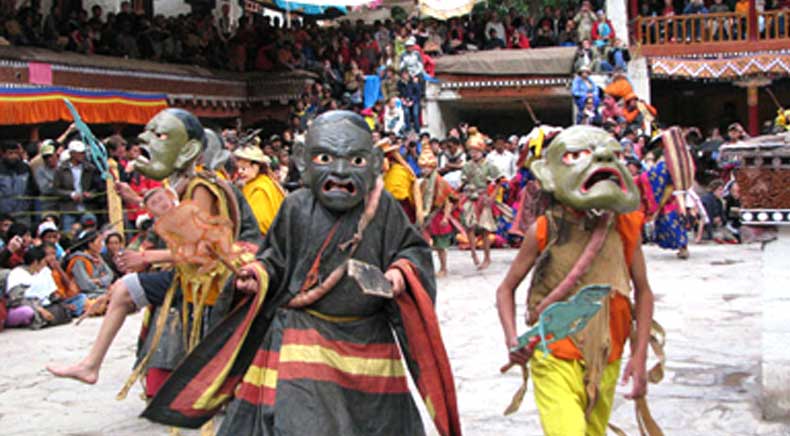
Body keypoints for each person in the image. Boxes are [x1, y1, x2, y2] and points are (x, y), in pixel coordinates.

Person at [140, 110, 461, 436]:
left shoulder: (384, 209)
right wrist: (258, 274)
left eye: (356, 161)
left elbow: (413, 252)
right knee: (308, 423)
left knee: (376, 425)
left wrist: (400, 272)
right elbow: (274, 260)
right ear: (303, 162)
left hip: (369, 342)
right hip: (305, 336)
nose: (339, 172)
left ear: (376, 162)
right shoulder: (296, 207)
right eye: (325, 158)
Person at [46, 109, 263, 388]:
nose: (147, 142)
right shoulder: (184, 184)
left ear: (189, 150)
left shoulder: (200, 187)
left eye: (160, 136)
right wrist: (137, 200)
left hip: (210, 280)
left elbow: (203, 252)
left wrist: (147, 257)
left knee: (126, 289)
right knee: (126, 289)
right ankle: (91, 365)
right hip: (191, 274)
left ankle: (91, 365)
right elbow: (179, 226)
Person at [496, 126, 657, 436]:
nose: (601, 159)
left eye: (614, 154)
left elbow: (644, 292)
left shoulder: (626, 226)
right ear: (549, 173)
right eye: (575, 156)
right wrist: (512, 339)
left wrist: (639, 358)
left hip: (607, 355)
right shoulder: (544, 229)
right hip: (554, 353)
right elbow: (505, 289)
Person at [460, 127, 502, 271]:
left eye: (476, 151)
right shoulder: (466, 166)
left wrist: (492, 196)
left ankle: (487, 257)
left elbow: (500, 181)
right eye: (471, 152)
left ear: (482, 151)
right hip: (470, 197)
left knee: (485, 229)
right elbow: (463, 182)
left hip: (484, 197)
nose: (473, 154)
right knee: (469, 227)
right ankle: (473, 254)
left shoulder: (490, 166)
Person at [417, 147, 457, 278]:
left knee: (440, 245)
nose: (424, 170)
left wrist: (446, 217)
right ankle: (428, 268)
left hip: (438, 216)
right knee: (425, 244)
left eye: (427, 168)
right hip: (426, 216)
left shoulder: (441, 182)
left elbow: (447, 201)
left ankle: (444, 268)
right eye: (422, 168)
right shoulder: (422, 182)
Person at [233, 145, 285, 236]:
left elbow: (259, 223)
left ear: (255, 167)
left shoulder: (260, 189)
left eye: (244, 168)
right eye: (239, 168)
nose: (240, 172)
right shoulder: (256, 183)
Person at [53, 140, 100, 231]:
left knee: (91, 231)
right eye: (79, 153)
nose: (82, 155)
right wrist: (70, 194)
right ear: (72, 154)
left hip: (86, 207)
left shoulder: (90, 168)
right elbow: (56, 190)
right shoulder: (61, 169)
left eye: (83, 153)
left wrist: (91, 194)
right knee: (68, 233)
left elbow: (96, 187)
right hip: (68, 208)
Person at [0, 140, 37, 227]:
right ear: (3, 154)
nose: (13, 156)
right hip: (2, 215)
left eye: (16, 153)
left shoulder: (25, 168)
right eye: (10, 153)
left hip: (22, 214)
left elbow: (33, 189)